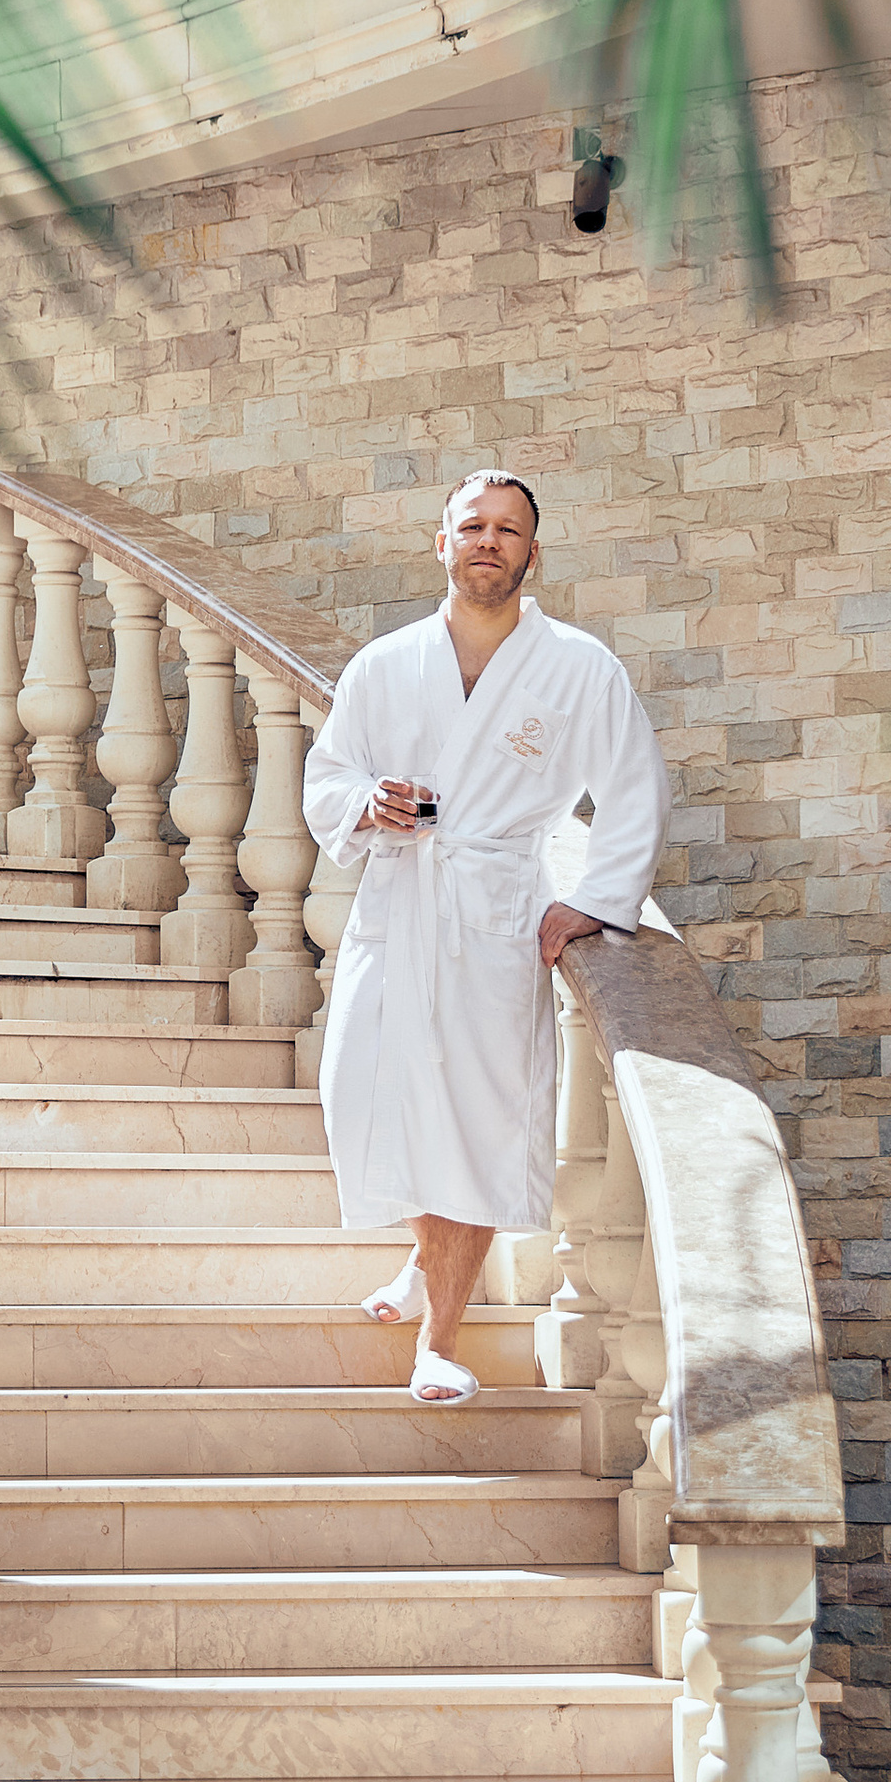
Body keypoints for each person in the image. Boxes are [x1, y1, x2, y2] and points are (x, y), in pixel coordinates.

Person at [302, 470, 672, 1403]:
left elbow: (634, 788)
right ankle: (424, 1263)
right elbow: (325, 779)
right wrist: (367, 804)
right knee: (368, 1094)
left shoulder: (581, 667)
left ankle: (440, 1342)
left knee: (467, 1119)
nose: (489, 542)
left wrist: (598, 899)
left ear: (532, 553)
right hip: (399, 907)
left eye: (509, 530)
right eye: (473, 526)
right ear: (443, 545)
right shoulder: (384, 665)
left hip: (497, 917)